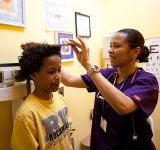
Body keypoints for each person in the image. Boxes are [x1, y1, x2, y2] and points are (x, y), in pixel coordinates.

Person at [20, 28, 159, 150]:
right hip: (101, 145)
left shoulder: (146, 81)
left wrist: (87, 65)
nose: (110, 51)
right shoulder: (106, 75)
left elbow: (122, 106)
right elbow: (69, 80)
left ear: (135, 52)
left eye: (116, 46)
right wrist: (42, 56)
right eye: (110, 46)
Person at [11, 43, 75, 150]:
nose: (58, 77)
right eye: (51, 72)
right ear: (33, 75)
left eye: (59, 70)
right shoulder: (26, 115)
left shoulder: (61, 99)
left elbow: (70, 133)